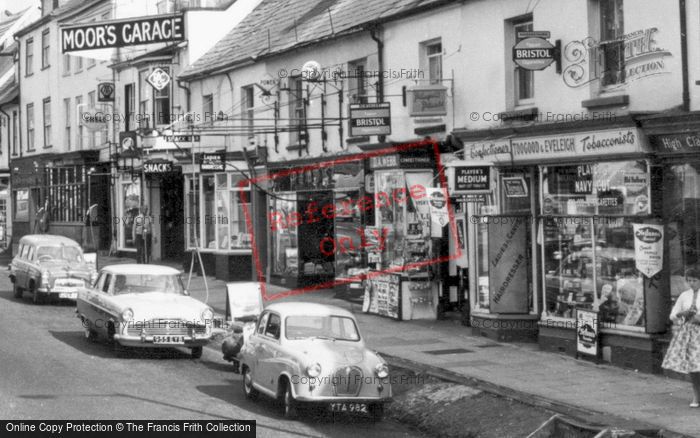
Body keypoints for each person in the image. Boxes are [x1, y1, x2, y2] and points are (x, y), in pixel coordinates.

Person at [662, 268, 700, 408]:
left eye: (695, 280)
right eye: (689, 280)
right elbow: (673, 314)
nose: (691, 283)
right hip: (690, 335)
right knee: (694, 367)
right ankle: (696, 395)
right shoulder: (684, 295)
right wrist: (681, 314)